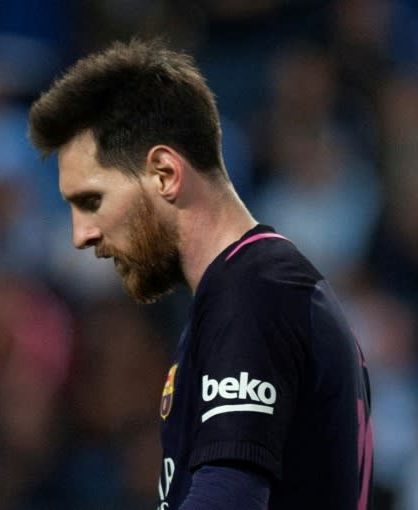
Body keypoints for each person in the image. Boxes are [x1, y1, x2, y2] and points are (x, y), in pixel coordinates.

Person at [28, 39, 373, 510]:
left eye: (92, 201)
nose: (81, 235)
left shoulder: (255, 292)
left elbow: (229, 497)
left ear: (166, 173)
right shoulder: (241, 290)